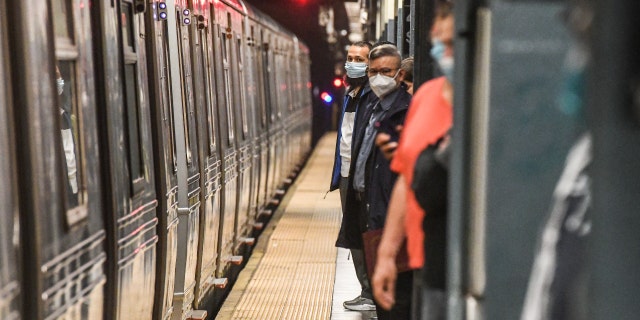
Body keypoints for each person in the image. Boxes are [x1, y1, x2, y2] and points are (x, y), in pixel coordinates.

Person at [371, 1, 455, 319]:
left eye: (449, 45)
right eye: (438, 44)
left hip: (460, 267)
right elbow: (406, 179)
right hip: (423, 263)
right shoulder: (425, 96)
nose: (442, 53)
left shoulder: (486, 104)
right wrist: (387, 254)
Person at [348, 43, 412, 319]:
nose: (378, 77)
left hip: (392, 216)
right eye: (373, 71)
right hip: (369, 211)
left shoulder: (406, 111)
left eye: (385, 71)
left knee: (395, 299)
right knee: (381, 293)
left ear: (399, 75)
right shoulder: (371, 106)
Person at [331, 40, 378, 311]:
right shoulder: (350, 93)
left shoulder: (371, 96)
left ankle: (370, 292)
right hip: (347, 173)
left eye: (359, 58)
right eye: (350, 57)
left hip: (361, 176)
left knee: (364, 234)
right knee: (353, 233)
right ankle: (365, 289)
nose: (353, 63)